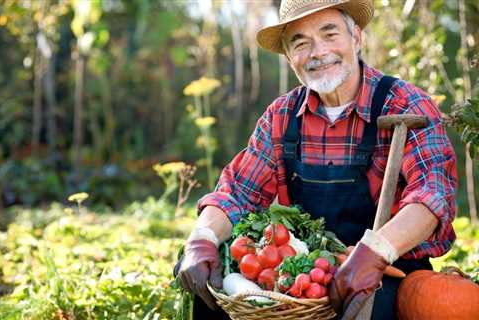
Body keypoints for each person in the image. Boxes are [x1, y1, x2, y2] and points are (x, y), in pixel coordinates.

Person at [175, 0, 458, 319]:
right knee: (202, 283)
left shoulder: (406, 105)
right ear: (289, 56)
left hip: (386, 268)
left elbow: (432, 195)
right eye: (301, 42)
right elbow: (238, 192)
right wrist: (202, 238)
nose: (317, 51)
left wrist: (375, 252)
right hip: (308, 271)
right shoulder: (282, 116)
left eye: (329, 34)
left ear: (357, 38)